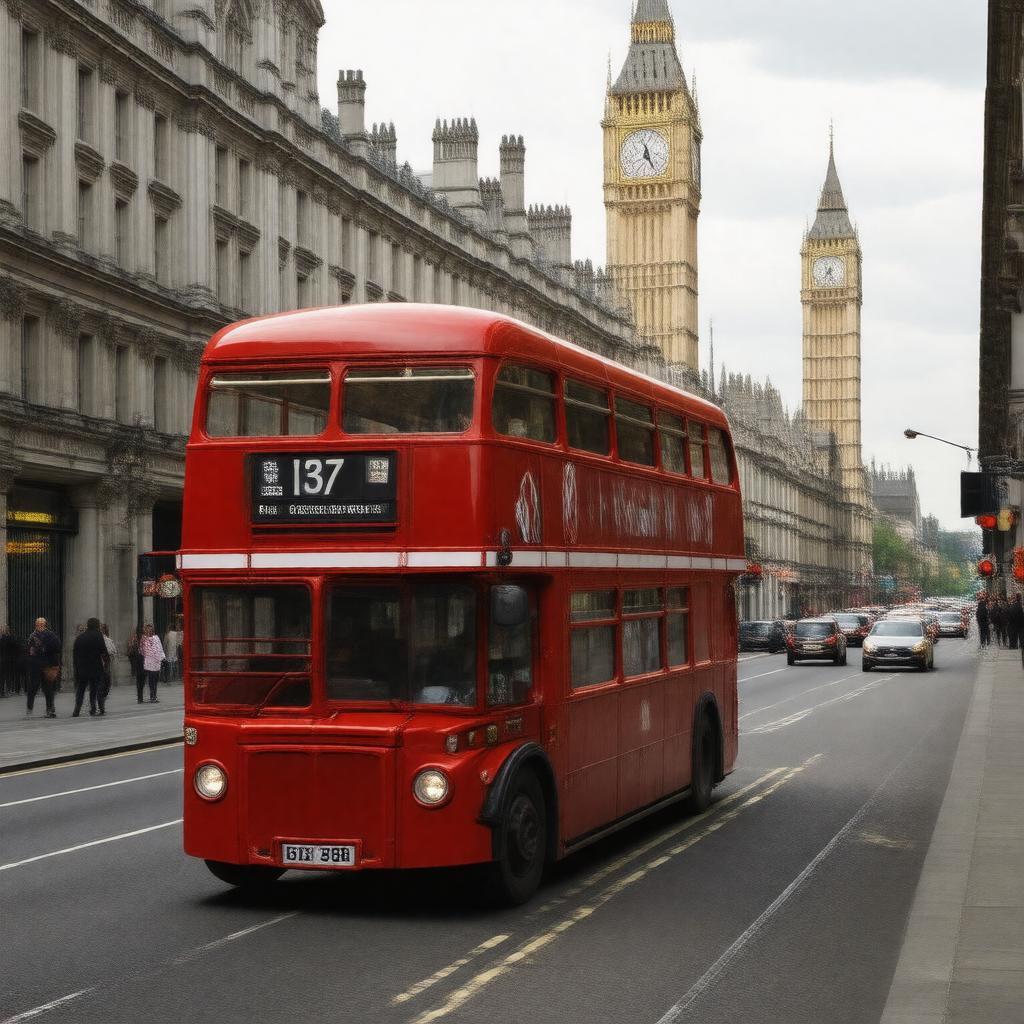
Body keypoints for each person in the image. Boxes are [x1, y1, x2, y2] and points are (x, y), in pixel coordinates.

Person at [72, 618, 109, 717]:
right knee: (95, 688)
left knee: (81, 689)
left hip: (82, 667)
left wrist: (76, 668)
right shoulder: (98, 635)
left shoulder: (80, 637)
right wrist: (106, 663)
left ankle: (77, 710)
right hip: (95, 666)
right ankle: (95, 708)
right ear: (96, 625)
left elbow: (75, 654)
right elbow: (103, 650)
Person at [25, 617, 61, 718]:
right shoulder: (32, 636)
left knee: (48, 689)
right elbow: (29, 650)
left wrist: (44, 648)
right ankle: (30, 709)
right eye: (38, 624)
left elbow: (57, 647)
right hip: (36, 666)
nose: (39, 625)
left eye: (41, 624)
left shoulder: (51, 635)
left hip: (47, 666)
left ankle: (50, 710)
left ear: (45, 625)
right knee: (33, 688)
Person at [139, 623, 165, 703]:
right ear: (145, 630)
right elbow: (141, 650)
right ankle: (152, 696)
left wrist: (162, 657)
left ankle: (154, 695)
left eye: (150, 629)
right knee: (151, 680)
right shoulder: (143, 639)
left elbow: (160, 648)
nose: (149, 631)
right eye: (147, 629)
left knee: (156, 680)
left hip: (157, 661)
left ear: (152, 630)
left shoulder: (156, 638)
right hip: (149, 662)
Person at [127, 629, 144, 703]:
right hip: (138, 664)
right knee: (139, 681)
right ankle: (140, 697)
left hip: (142, 664)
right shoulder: (134, 644)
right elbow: (130, 653)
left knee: (140, 682)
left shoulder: (144, 644)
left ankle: (140, 697)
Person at [100, 624, 116, 704]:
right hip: (98, 662)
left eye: (103, 629)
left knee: (107, 680)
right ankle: (100, 697)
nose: (101, 631)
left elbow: (114, 651)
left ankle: (103, 695)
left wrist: (110, 654)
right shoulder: (96, 640)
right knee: (101, 681)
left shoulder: (109, 640)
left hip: (106, 662)